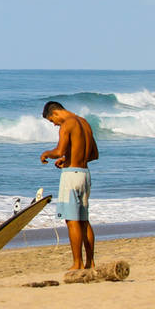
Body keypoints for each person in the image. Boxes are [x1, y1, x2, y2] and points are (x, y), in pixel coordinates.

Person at [40, 101, 99, 270]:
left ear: (55, 113)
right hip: (85, 175)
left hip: (71, 177)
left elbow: (58, 151)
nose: (54, 124)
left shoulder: (67, 124)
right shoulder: (85, 123)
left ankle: (77, 263)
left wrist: (46, 154)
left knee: (72, 221)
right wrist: (68, 159)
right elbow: (94, 154)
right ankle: (90, 262)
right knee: (84, 221)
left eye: (52, 121)